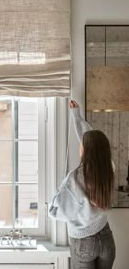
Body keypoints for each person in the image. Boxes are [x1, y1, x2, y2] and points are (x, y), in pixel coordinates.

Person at [49, 100, 115, 269]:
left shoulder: (75, 178)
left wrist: (55, 199)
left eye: (82, 145)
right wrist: (76, 115)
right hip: (106, 239)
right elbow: (93, 139)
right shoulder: (109, 168)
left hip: (84, 243)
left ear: (86, 149)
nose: (80, 146)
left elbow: (59, 213)